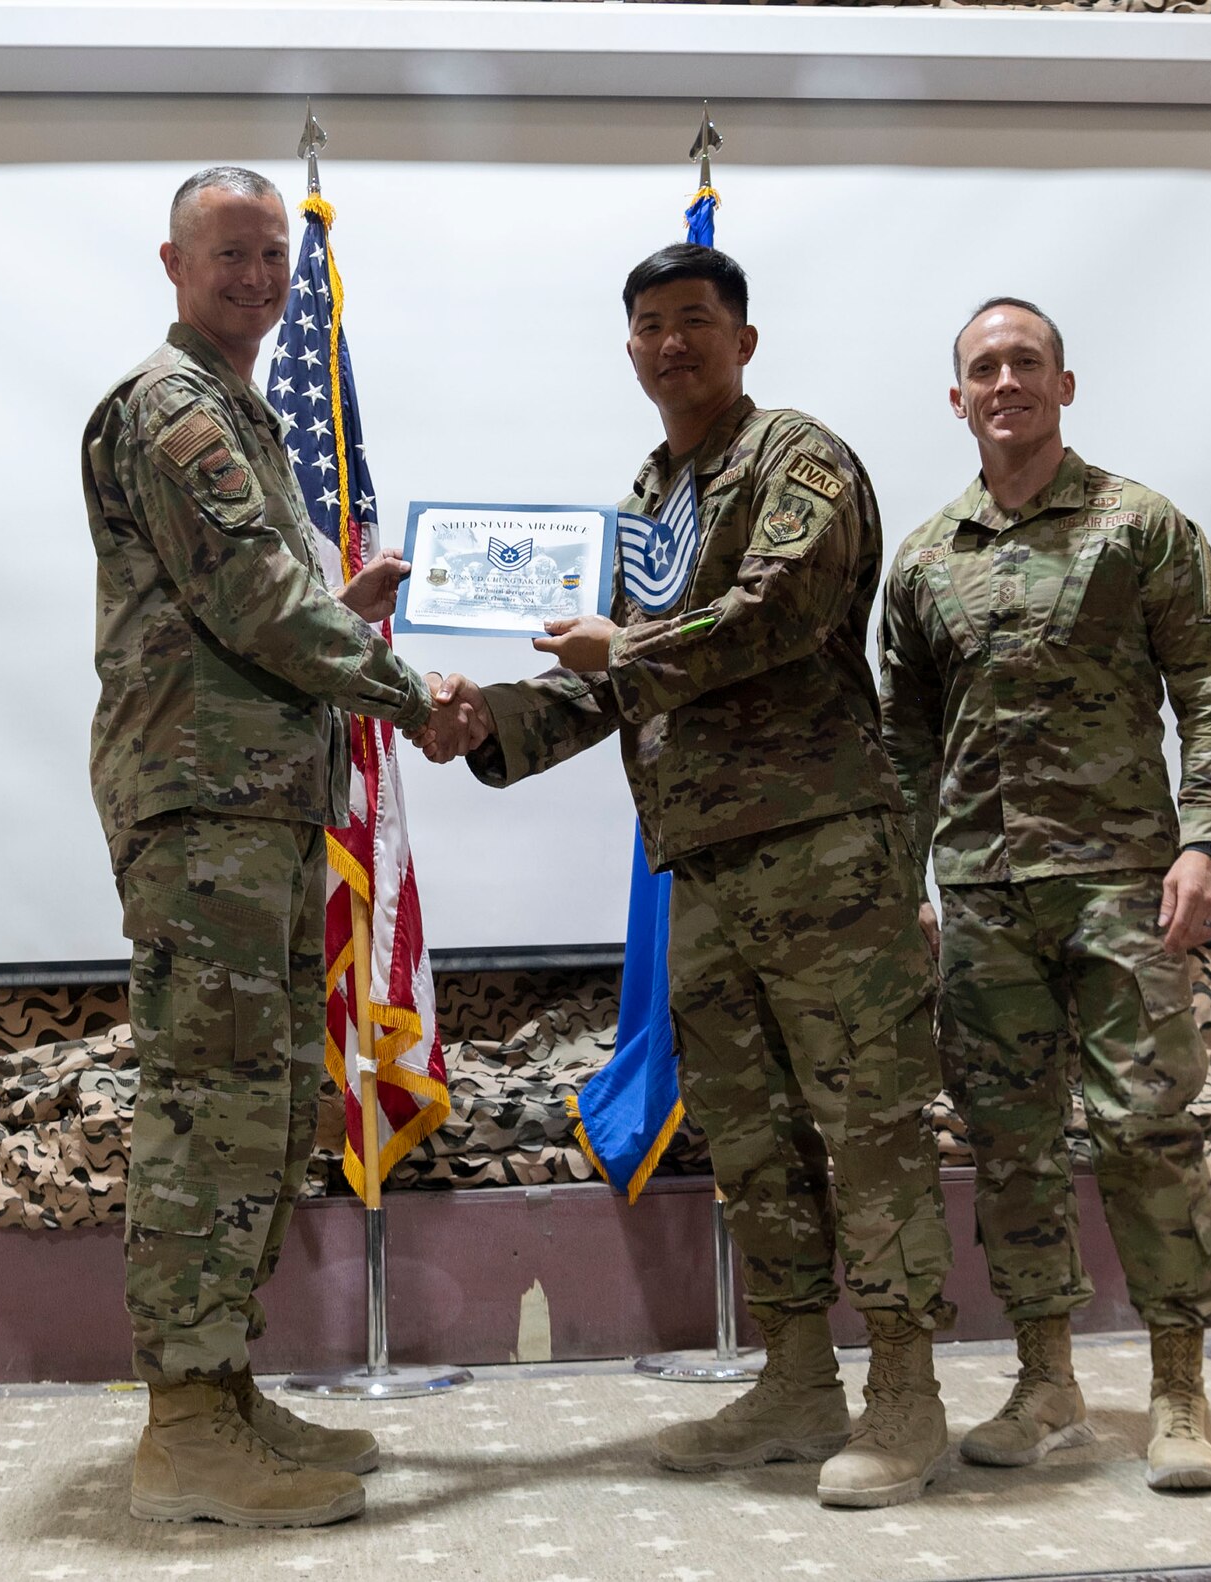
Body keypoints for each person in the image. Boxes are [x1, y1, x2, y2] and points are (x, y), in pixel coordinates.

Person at [416, 244, 956, 1509]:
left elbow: (781, 609)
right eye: (650, 326)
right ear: (630, 351)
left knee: (864, 1124)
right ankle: (798, 1377)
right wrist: (486, 723)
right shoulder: (647, 500)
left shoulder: (795, 459)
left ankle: (907, 1394)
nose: (672, 344)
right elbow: (599, 678)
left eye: (696, 322)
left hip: (821, 849)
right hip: (702, 872)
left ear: (743, 341)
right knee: (754, 1138)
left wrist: (633, 644)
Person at [82, 165, 454, 1528]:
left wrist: (342, 610)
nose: (253, 277)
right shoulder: (173, 408)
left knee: (263, 1105)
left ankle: (221, 1387)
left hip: (263, 806)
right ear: (173, 266)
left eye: (268, 258)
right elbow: (253, 600)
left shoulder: (247, 418)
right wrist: (417, 694)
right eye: (226, 254)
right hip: (207, 812)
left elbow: (278, 603)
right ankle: (182, 1422)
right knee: (210, 1109)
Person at [877, 298, 1211, 1491]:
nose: (1005, 382)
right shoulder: (926, 559)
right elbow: (903, 743)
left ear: (1064, 384)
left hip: (1117, 887)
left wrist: (1206, 842)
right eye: (983, 367)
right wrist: (905, 887)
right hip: (983, 897)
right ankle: (1045, 1381)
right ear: (956, 399)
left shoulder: (1137, 528)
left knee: (1148, 1130)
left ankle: (1179, 1393)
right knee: (1009, 1145)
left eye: (1025, 362)